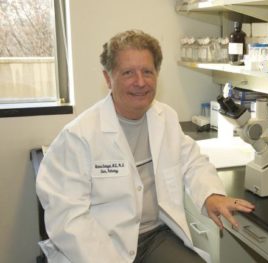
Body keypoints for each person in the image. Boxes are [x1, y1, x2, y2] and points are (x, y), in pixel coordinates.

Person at [36, 30, 255, 263]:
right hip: (99, 245)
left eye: (147, 72)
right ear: (108, 78)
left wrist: (211, 194)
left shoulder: (165, 118)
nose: (140, 82)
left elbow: (192, 161)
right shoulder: (78, 137)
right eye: (128, 73)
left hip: (155, 237)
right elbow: (69, 220)